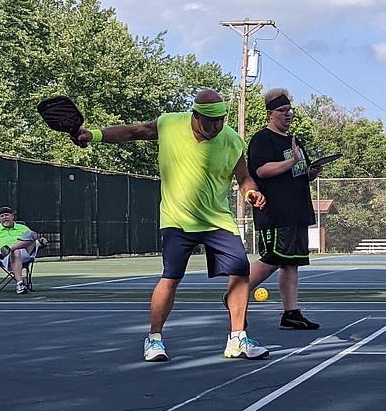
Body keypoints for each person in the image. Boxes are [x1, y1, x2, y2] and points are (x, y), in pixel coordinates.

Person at [75, 89, 269, 363]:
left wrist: (250, 193)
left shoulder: (232, 141)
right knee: (171, 278)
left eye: (222, 120)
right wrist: (92, 135)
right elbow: (133, 132)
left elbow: (244, 178)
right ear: (196, 116)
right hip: (178, 219)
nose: (217, 126)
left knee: (240, 271)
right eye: (211, 121)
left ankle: (237, 338)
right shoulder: (169, 123)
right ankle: (154, 339)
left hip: (217, 219)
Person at [246, 88, 322, 330]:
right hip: (275, 213)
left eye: (289, 111)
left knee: (292, 262)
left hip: (297, 211)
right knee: (274, 258)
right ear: (270, 114)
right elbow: (261, 170)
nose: (288, 115)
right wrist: (292, 161)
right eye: (282, 111)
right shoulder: (262, 139)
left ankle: (291, 313)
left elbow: (301, 171)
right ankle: (236, 295)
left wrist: (311, 172)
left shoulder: (294, 141)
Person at [0, 206, 48, 294]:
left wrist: (42, 242)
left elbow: (32, 240)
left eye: (7, 215)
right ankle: (20, 284)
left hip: (25, 253)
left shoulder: (22, 228)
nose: (4, 218)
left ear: (12, 216)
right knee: (15, 252)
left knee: (31, 234)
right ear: (0, 219)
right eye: (2, 216)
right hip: (4, 257)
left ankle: (11, 248)